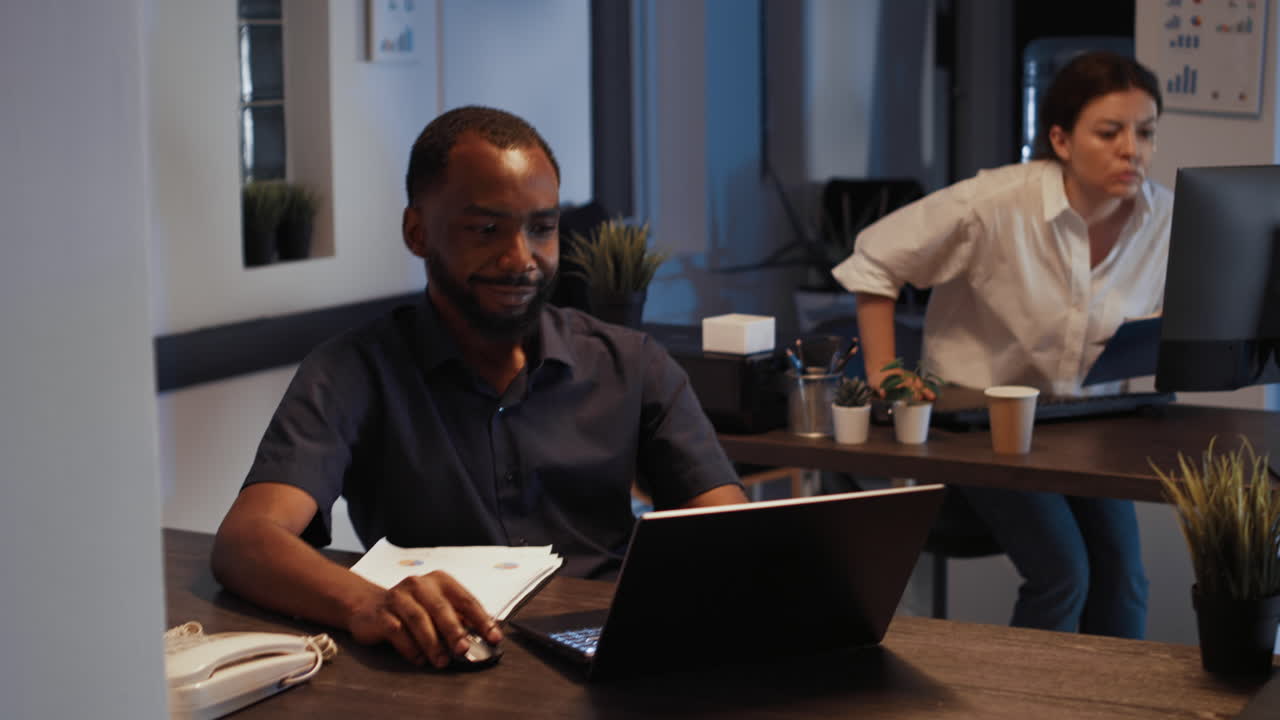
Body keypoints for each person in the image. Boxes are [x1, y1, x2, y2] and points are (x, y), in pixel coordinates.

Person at [211, 106, 747, 669]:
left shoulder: (632, 364)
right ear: (416, 232)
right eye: (486, 230)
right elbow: (247, 541)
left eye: (542, 228)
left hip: (608, 662)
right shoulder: (352, 371)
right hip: (436, 668)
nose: (521, 259)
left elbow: (728, 537)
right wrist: (370, 603)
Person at [832, 51, 1168, 638]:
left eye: (1145, 133)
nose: (1131, 150)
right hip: (979, 427)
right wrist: (888, 375)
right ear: (1061, 140)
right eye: (1110, 132)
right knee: (1065, 574)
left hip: (1084, 424)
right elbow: (873, 262)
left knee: (1125, 578)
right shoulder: (993, 203)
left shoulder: (1163, 217)